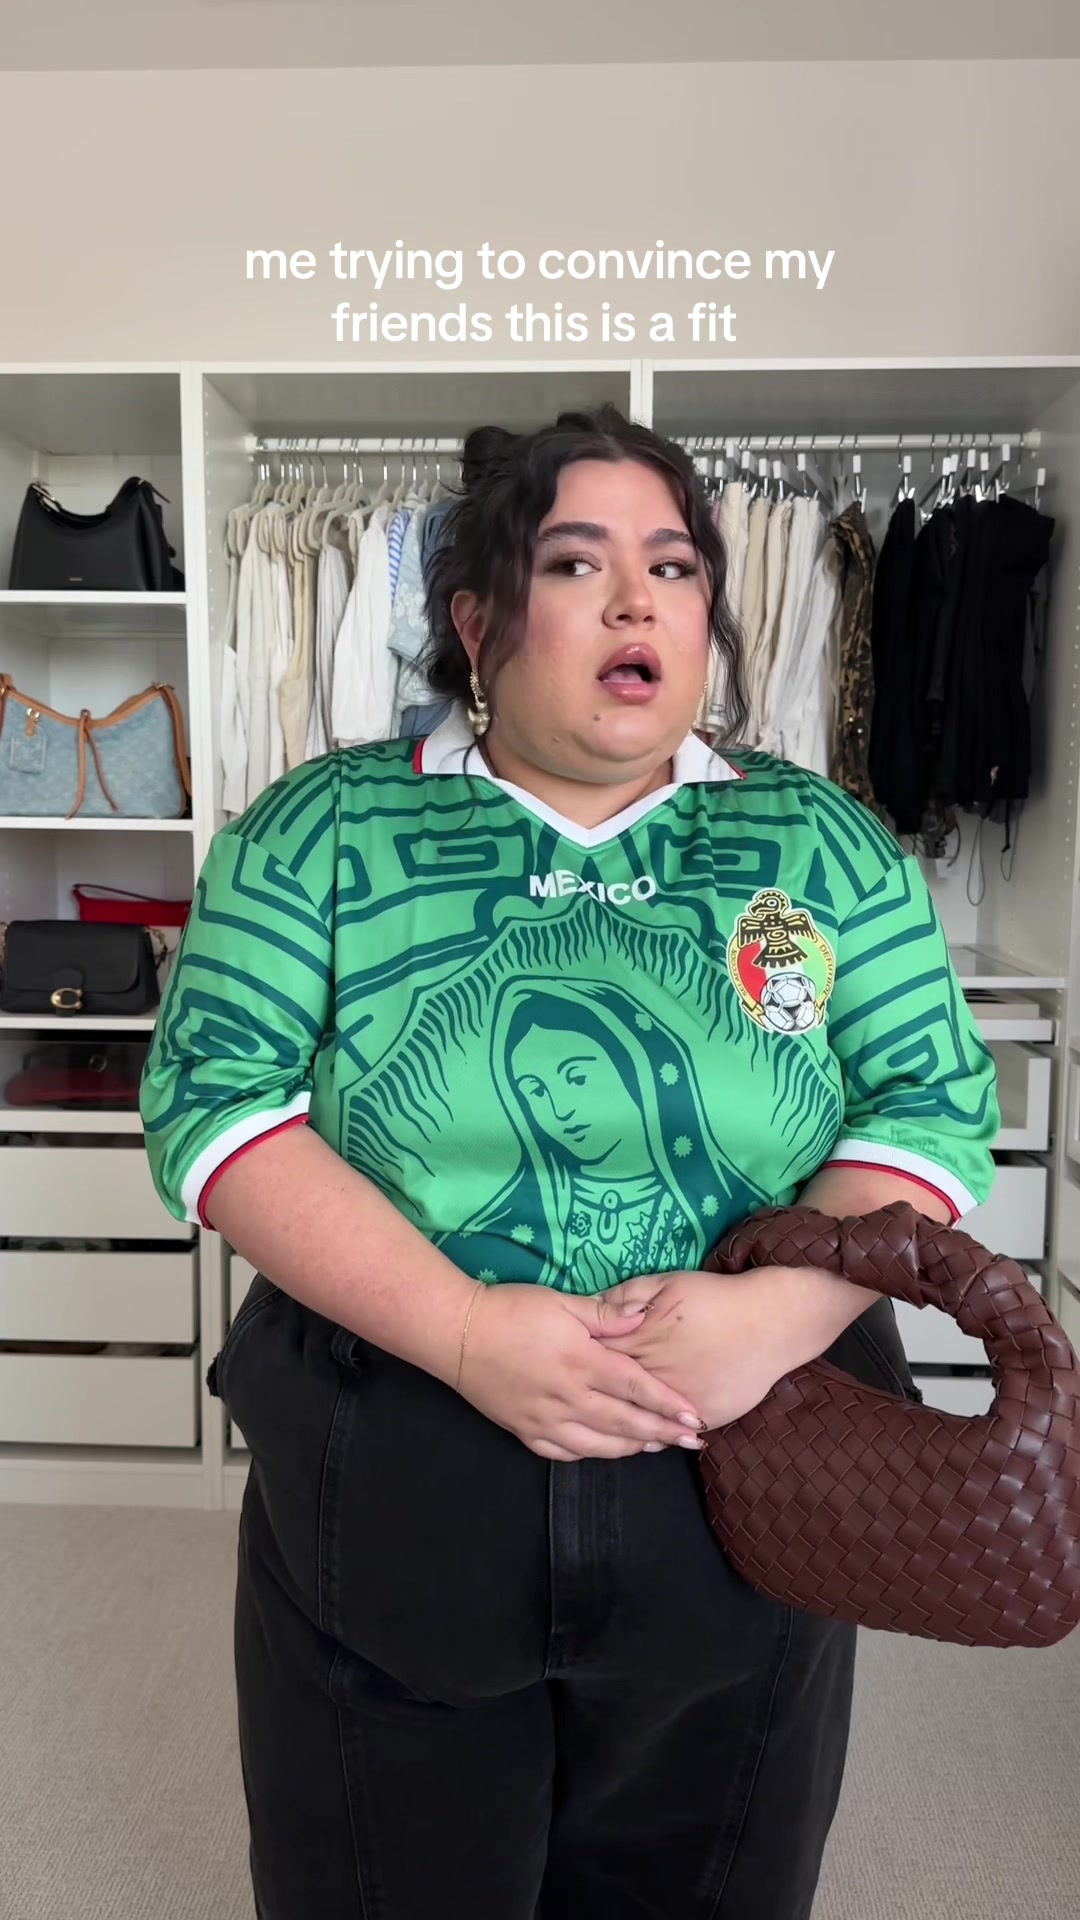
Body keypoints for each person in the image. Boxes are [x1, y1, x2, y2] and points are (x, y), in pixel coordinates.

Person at [141, 404, 999, 1920]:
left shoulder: (822, 846)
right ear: (478, 620)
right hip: (399, 1458)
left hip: (749, 1468)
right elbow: (211, 1105)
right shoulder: (320, 829)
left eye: (673, 566)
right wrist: (467, 1330)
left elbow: (929, 1107)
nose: (635, 603)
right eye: (575, 563)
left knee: (709, 1871)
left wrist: (773, 1317)